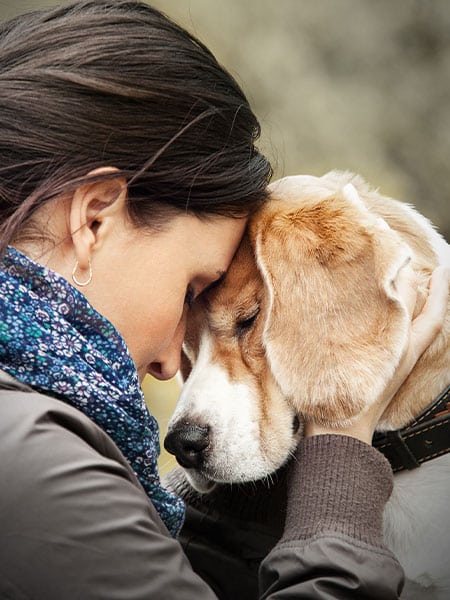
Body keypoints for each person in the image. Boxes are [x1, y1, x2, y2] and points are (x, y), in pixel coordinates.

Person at [0, 1, 447, 598]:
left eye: (241, 318)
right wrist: (339, 457)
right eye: (190, 289)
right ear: (96, 219)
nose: (167, 367)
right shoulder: (28, 455)